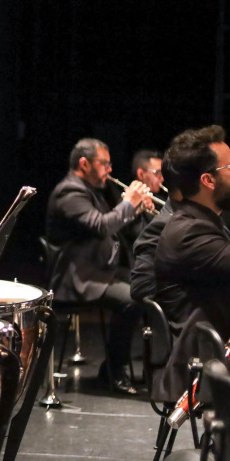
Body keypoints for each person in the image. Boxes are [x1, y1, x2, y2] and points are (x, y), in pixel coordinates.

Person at [152, 125, 230, 401]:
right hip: (206, 364)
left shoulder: (202, 222)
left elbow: (217, 296)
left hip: (222, 349)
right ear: (208, 180)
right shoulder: (189, 232)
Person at [45, 138, 151, 394]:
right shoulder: (69, 192)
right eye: (104, 163)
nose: (109, 170)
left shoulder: (90, 191)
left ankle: (152, 367)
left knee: (147, 284)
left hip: (96, 270)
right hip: (76, 279)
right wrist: (128, 204)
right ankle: (113, 371)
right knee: (132, 299)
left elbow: (114, 226)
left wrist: (138, 210)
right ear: (84, 163)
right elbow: (102, 226)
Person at [129, 153, 183, 303]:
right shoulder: (127, 201)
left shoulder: (158, 202)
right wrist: (136, 211)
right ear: (141, 174)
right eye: (158, 173)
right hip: (136, 270)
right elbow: (139, 238)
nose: (162, 179)